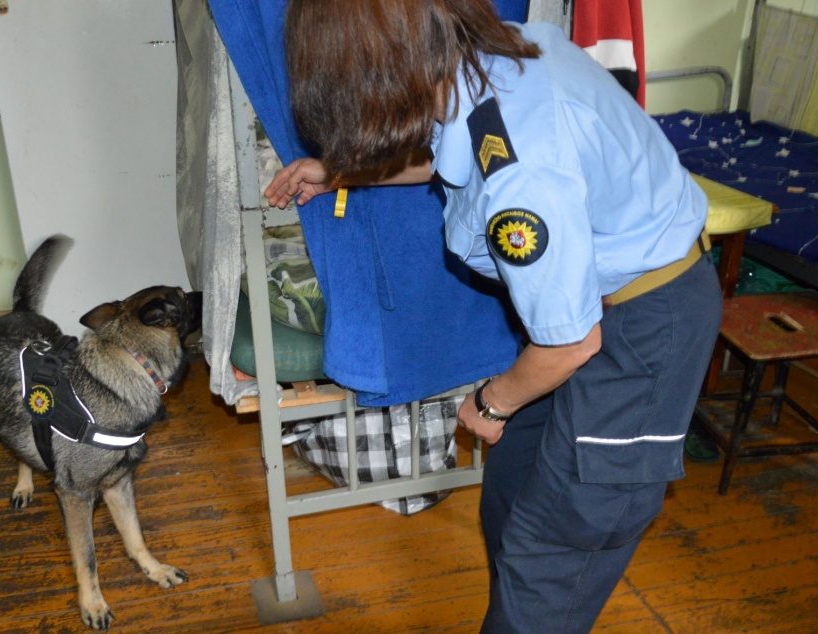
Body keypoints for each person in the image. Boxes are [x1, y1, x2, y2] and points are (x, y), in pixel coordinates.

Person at [265, 1, 723, 631]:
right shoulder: (479, 58)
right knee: (509, 494)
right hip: (588, 307)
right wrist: (342, 172)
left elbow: (568, 345)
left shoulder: (522, 172)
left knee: (555, 548)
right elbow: (458, 150)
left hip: (641, 326)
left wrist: (490, 404)